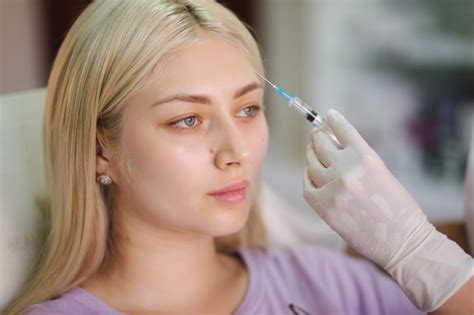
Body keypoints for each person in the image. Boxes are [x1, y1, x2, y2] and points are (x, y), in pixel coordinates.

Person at [4, 1, 472, 314]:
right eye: (187, 119)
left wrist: (417, 250)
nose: (238, 152)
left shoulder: (331, 285)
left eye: (248, 109)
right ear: (98, 150)